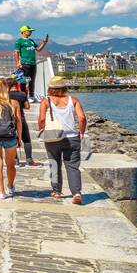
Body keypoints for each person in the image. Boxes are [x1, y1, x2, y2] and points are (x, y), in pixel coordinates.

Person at [38, 76, 88, 204]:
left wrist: (41, 129)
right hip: (71, 138)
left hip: (53, 137)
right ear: (64, 87)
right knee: (73, 166)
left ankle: (56, 191)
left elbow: (42, 120)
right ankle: (76, 193)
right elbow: (82, 118)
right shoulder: (73, 100)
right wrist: (81, 132)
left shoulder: (46, 101)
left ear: (50, 88)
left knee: (54, 163)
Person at [6, 77, 38, 167]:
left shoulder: (6, 95)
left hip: (9, 120)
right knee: (26, 140)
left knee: (12, 140)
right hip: (21, 119)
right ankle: (29, 160)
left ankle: (15, 160)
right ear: (16, 85)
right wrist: (19, 106)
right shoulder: (22, 94)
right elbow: (27, 106)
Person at [13, 25, 50, 99]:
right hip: (25, 64)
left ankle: (31, 96)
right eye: (29, 31)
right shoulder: (19, 41)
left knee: (32, 81)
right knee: (24, 81)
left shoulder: (31, 41)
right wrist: (17, 63)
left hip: (33, 63)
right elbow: (16, 52)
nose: (30, 32)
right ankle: (24, 96)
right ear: (23, 32)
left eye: (31, 31)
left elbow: (38, 49)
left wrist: (44, 42)